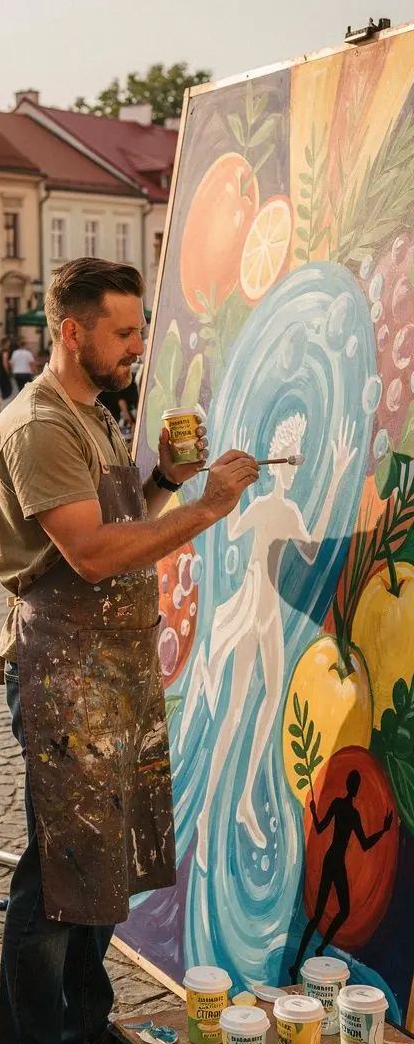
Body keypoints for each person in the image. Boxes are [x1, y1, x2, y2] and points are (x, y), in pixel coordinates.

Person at [0, 257, 259, 1044]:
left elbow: (122, 520)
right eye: (126, 331)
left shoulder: (98, 412)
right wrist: (210, 507)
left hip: (113, 669)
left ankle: (79, 1033)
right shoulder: (40, 426)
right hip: (63, 673)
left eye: (140, 329)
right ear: (73, 332)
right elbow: (95, 555)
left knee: (102, 868)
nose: (140, 345)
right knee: (54, 879)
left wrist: (168, 483)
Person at [178, 413, 356, 866]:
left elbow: (311, 549)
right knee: (237, 710)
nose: (294, 470)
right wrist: (234, 493)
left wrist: (337, 478)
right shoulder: (263, 506)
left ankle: (242, 802)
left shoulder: (290, 511)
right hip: (252, 603)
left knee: (271, 700)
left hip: (270, 611)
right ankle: (207, 813)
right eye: (291, 462)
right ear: (278, 464)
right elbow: (232, 530)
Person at [290, 771, 394, 980]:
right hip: (334, 862)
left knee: (326, 913)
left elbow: (321, 827)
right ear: (353, 786)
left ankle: (311, 953)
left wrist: (314, 811)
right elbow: (363, 842)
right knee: (327, 913)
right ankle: (307, 956)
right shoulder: (350, 812)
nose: (355, 787)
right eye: (356, 784)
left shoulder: (342, 806)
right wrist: (383, 830)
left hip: (332, 860)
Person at [0, 337, 14, 415]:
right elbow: (5, 363)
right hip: (3, 374)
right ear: (6, 343)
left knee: (5, 391)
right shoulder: (5, 351)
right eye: (8, 342)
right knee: (9, 390)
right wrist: (8, 372)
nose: (9, 344)